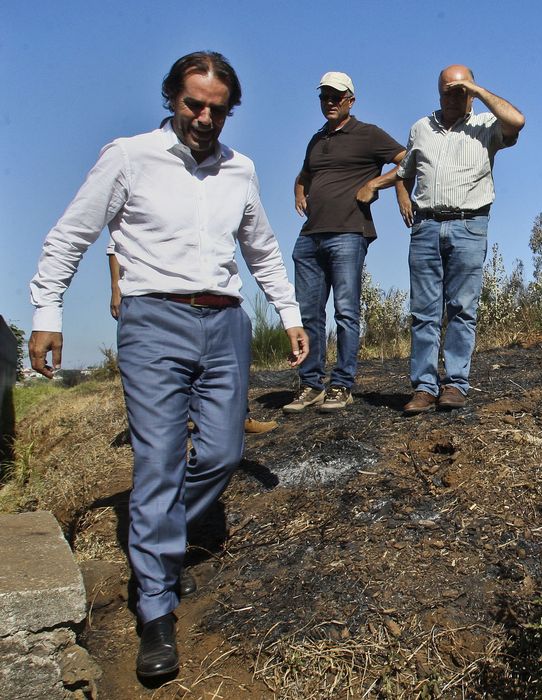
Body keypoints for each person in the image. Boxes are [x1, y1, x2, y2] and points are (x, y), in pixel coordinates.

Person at [28, 51, 308, 679]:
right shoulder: (129, 157)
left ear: (231, 110)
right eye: (193, 103)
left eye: (217, 107)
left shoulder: (242, 171)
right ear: (172, 99)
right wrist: (47, 312)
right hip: (153, 320)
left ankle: (156, 533)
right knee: (156, 458)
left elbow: (260, 248)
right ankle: (155, 605)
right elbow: (71, 233)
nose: (204, 117)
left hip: (226, 322)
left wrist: (290, 314)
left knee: (221, 453)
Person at [357, 64, 524, 414]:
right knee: (424, 312)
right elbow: (405, 171)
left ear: (471, 93)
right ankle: (423, 387)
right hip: (426, 226)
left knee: (463, 309)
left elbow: (517, 122)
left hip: (469, 225)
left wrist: (475, 90)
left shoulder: (486, 127)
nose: (452, 96)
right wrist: (391, 191)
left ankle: (456, 385)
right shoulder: (421, 128)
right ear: (437, 92)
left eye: (459, 90)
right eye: (447, 90)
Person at [282, 71, 408, 414]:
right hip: (309, 238)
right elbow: (304, 174)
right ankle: (311, 385)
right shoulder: (316, 139)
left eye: (336, 97)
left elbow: (408, 161)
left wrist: (376, 186)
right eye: (324, 97)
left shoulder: (367, 134)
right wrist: (299, 192)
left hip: (349, 233)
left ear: (350, 100)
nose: (330, 103)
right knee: (308, 313)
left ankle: (341, 384)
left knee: (346, 311)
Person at [108, 251, 277, 433]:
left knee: (223, 362)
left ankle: (237, 418)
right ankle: (178, 423)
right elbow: (114, 247)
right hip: (157, 300)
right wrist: (116, 288)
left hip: (213, 295)